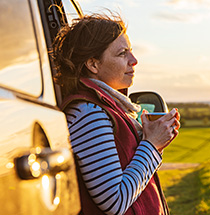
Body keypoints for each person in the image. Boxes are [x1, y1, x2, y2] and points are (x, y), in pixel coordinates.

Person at [52, 12, 180, 215]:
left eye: (131, 51)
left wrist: (150, 139)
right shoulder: (89, 113)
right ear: (93, 64)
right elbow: (114, 202)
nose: (134, 60)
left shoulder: (105, 107)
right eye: (122, 54)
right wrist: (152, 144)